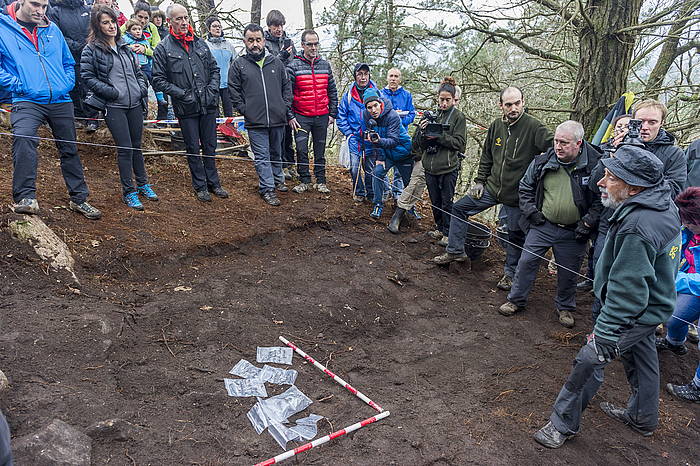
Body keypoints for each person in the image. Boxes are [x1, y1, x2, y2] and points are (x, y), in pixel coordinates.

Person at [533, 145, 681, 448]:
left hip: (633, 311)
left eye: (611, 178)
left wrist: (604, 335)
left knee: (590, 361)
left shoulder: (638, 226)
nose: (600, 181)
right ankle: (642, 417)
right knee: (642, 356)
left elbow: (628, 290)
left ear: (634, 187)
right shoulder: (660, 205)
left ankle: (561, 425)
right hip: (652, 308)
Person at [432, 87, 553, 291]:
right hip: (491, 187)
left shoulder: (534, 127)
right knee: (459, 208)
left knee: (515, 235)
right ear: (501, 106)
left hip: (517, 195)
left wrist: (538, 175)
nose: (513, 108)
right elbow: (487, 155)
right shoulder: (496, 126)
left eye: (517, 103)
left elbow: (555, 148)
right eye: (508, 104)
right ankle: (455, 250)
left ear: (523, 102)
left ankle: (510, 274)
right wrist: (479, 181)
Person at [0, 0, 101, 219]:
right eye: (35, 4)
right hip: (26, 98)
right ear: (20, 2)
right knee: (24, 137)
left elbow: (67, 62)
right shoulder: (3, 27)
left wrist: (65, 84)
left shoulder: (52, 28)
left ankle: (79, 199)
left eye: (44, 6)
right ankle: (26, 197)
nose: (41, 11)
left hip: (60, 98)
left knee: (70, 148)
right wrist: (19, 85)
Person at [497, 121, 602, 328]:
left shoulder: (594, 166)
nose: (558, 146)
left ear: (578, 143)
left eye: (564, 142)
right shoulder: (543, 161)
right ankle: (515, 299)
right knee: (526, 261)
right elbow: (525, 187)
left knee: (569, 271)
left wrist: (588, 223)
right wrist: (532, 214)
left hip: (575, 231)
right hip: (543, 225)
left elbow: (601, 199)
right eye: (556, 141)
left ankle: (565, 307)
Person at [81, 5, 157, 210]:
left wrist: (142, 88)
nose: (111, 26)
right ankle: (128, 191)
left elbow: (138, 71)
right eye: (105, 22)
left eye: (112, 21)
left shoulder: (125, 46)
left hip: (135, 103)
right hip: (114, 106)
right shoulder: (92, 49)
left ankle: (142, 184)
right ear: (97, 26)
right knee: (125, 148)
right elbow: (87, 76)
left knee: (136, 145)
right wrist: (111, 92)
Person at [152, 3, 228, 202]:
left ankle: (214, 183)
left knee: (210, 145)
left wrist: (212, 90)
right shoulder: (163, 48)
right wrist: (182, 94)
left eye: (186, 17)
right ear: (170, 21)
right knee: (193, 146)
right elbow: (158, 79)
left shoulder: (200, 43)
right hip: (186, 107)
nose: (184, 22)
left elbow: (215, 69)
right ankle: (200, 185)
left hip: (208, 103)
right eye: (179, 18)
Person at [229, 23, 291, 206]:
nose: (254, 44)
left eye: (258, 40)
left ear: (263, 41)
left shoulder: (276, 63)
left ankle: (278, 179)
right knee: (262, 156)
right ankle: (267, 188)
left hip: (277, 118)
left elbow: (286, 87)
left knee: (276, 152)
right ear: (245, 41)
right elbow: (233, 90)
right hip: (255, 121)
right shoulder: (239, 65)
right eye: (251, 40)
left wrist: (284, 106)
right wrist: (244, 109)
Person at [656, 187, 700, 402]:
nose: (684, 224)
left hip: (693, 283)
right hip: (691, 284)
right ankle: (674, 342)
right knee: (674, 317)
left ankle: (698, 387)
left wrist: (674, 279)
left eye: (689, 221)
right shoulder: (687, 232)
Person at [412, 77, 466, 238]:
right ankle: (440, 228)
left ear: (453, 100)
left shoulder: (458, 117)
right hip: (430, 167)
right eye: (441, 99)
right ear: (437, 98)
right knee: (435, 201)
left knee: (446, 202)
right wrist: (423, 132)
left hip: (448, 167)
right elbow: (418, 145)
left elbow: (460, 144)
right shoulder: (432, 115)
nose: (444, 103)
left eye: (447, 100)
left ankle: (448, 233)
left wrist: (439, 135)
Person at [287, 29, 338, 194]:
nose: (314, 47)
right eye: (310, 44)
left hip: (322, 115)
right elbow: (287, 93)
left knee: (320, 150)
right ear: (303, 45)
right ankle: (304, 180)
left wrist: (332, 114)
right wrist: (290, 115)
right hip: (301, 116)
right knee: (301, 149)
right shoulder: (293, 65)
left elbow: (332, 91)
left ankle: (321, 181)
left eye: (316, 44)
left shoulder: (325, 65)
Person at [360, 88, 413, 218]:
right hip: (387, 152)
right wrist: (380, 157)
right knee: (377, 173)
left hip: (403, 152)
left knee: (409, 182)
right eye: (369, 107)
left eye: (375, 106)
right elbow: (373, 138)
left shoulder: (392, 115)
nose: (373, 110)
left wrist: (379, 141)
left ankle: (411, 208)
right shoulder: (367, 116)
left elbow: (394, 140)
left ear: (380, 103)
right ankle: (378, 204)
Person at [48, 0, 99, 132]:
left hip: (89, 52)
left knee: (90, 85)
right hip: (69, 55)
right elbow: (56, 33)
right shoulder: (55, 11)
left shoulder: (87, 9)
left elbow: (94, 29)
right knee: (73, 85)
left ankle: (92, 118)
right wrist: (74, 45)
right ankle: (78, 116)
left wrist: (88, 44)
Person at [337, 63, 379, 202]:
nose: (363, 77)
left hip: (370, 138)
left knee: (370, 169)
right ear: (355, 76)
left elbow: (382, 114)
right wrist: (349, 133)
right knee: (354, 168)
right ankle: (359, 192)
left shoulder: (377, 93)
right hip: (354, 137)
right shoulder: (348, 96)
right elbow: (341, 116)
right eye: (360, 74)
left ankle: (371, 193)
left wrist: (375, 132)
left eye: (365, 74)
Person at [263, 9, 297, 180]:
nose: (279, 29)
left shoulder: (289, 41)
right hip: (272, 88)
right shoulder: (264, 42)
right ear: (269, 27)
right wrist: (282, 56)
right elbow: (267, 63)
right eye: (275, 26)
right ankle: (279, 165)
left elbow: (296, 61)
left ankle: (290, 163)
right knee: (278, 129)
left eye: (281, 25)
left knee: (289, 127)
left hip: (289, 86)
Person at [633, 99, 687, 198]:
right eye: (640, 122)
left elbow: (674, 192)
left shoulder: (674, 154)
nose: (644, 127)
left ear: (661, 123)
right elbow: (596, 185)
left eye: (652, 122)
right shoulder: (618, 145)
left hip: (648, 211)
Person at [381, 67, 415, 203]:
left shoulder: (406, 95)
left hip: (401, 137)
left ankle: (397, 193)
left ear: (400, 79)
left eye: (396, 76)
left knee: (399, 169)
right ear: (387, 78)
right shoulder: (381, 94)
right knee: (382, 165)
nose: (393, 79)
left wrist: (399, 122)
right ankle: (385, 191)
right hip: (384, 135)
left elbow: (412, 114)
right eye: (391, 76)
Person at [204, 16, 240, 117]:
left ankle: (230, 131)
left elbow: (236, 63)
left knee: (229, 112)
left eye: (219, 26)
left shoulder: (228, 45)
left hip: (227, 84)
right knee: (214, 112)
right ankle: (215, 131)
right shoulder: (205, 45)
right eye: (215, 26)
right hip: (212, 84)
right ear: (209, 29)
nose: (218, 28)